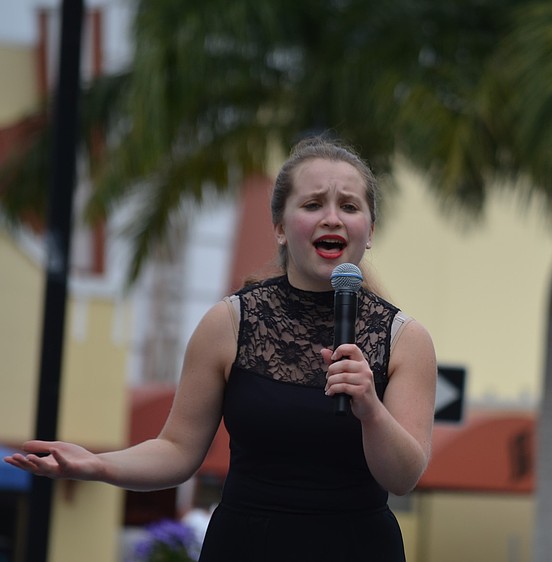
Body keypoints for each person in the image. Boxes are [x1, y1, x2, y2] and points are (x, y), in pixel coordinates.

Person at [4, 136, 438, 561]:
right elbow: (177, 449)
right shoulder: (228, 322)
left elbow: (403, 478)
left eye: (348, 206)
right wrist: (99, 466)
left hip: (356, 546)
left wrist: (370, 409)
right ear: (281, 229)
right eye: (312, 205)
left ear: (370, 230)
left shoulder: (405, 339)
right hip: (248, 542)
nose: (332, 218)